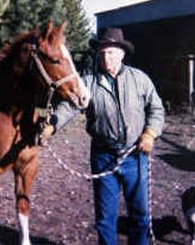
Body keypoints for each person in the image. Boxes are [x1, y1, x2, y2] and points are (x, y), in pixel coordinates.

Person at [42, 27, 165, 245]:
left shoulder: (140, 79)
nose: (106, 57)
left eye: (111, 52)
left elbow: (156, 109)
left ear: (122, 54)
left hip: (135, 156)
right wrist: (52, 125)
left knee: (140, 215)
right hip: (103, 157)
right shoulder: (88, 82)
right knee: (105, 219)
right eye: (102, 52)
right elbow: (69, 107)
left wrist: (150, 133)